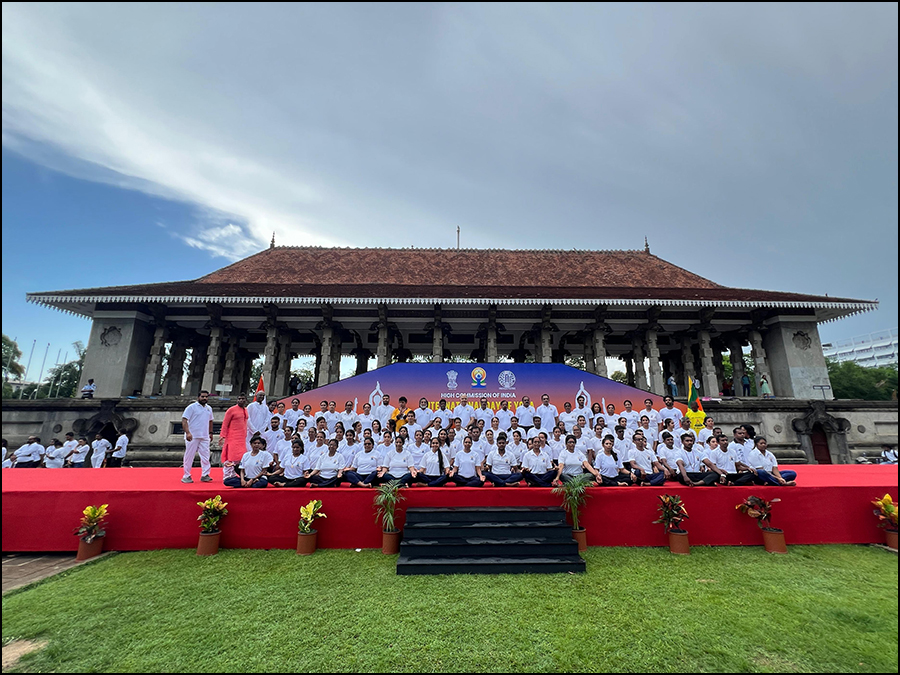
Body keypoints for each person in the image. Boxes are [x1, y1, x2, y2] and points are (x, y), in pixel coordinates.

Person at [181, 390, 214, 484]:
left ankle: (205, 474)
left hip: (205, 436)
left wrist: (210, 432)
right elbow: (184, 420)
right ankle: (186, 475)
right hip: (193, 436)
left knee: (206, 456)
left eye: (206, 397)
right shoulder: (191, 407)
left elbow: (210, 421)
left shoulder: (209, 408)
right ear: (198, 397)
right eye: (202, 396)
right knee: (189, 456)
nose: (204, 398)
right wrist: (188, 432)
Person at [219, 393, 249, 469]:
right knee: (231, 455)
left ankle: (237, 472)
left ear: (246, 400)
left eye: (243, 399)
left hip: (242, 437)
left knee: (241, 455)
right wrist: (222, 436)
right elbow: (225, 423)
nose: (241, 400)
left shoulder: (246, 410)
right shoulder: (231, 410)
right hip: (232, 437)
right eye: (239, 399)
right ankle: (228, 473)